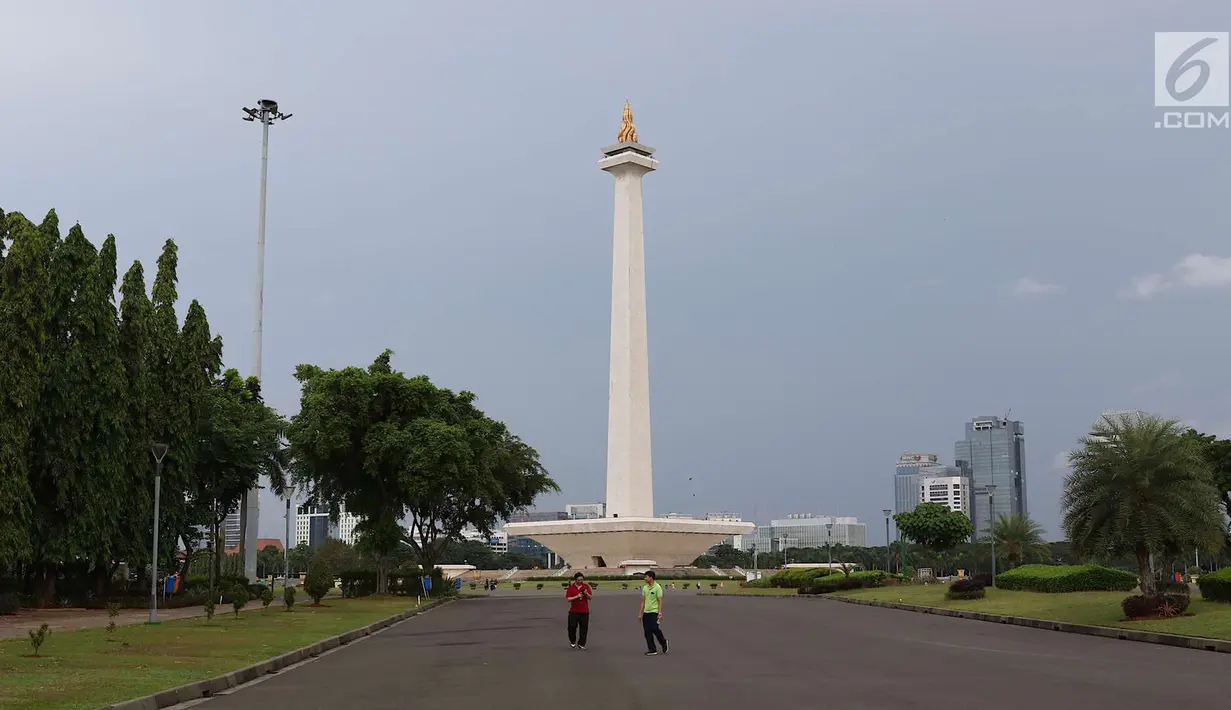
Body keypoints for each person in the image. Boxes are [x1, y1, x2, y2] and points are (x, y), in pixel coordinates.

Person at [638, 570, 668, 656]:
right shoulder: (645, 588)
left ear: (651, 578)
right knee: (647, 631)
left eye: (646, 577)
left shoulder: (657, 587)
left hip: (654, 611)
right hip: (646, 612)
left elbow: (660, 601)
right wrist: (640, 613)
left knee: (654, 628)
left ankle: (663, 642)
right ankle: (652, 649)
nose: (645, 578)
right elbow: (643, 601)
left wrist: (660, 613)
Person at [566, 572, 593, 650]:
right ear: (575, 580)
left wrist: (586, 593)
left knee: (584, 628)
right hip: (574, 611)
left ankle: (581, 643)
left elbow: (590, 597)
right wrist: (577, 596)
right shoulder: (571, 588)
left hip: (584, 611)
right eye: (578, 580)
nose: (580, 581)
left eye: (581, 580)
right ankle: (572, 640)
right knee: (572, 627)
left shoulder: (586, 586)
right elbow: (568, 599)